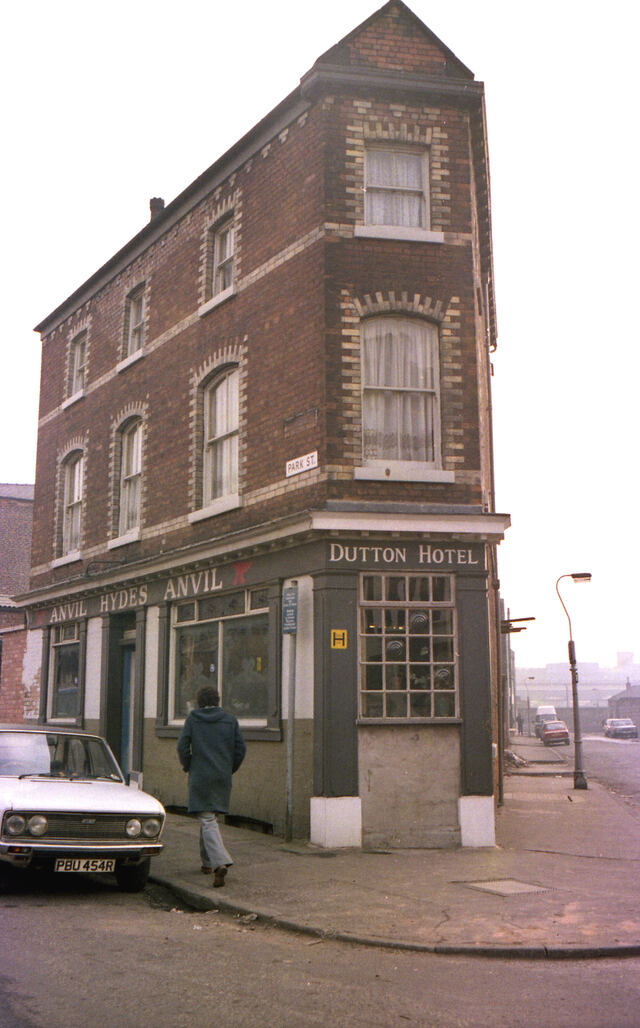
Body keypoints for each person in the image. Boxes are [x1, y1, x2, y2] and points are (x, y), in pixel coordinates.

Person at [177, 685, 246, 888]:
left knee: (206, 818)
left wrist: (188, 764)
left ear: (199, 701)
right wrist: (229, 768)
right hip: (221, 775)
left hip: (200, 775)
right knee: (209, 817)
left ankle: (219, 863)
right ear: (217, 700)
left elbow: (182, 746)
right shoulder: (230, 720)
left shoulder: (193, 719)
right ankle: (206, 863)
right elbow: (240, 748)